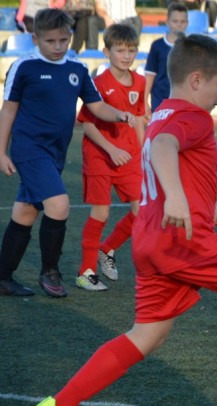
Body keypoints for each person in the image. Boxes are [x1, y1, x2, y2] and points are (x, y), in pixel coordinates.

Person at [29, 34, 217, 406]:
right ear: (196, 79)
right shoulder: (194, 117)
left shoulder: (163, 111)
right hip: (185, 241)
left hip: (151, 241)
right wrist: (176, 197)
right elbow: (166, 149)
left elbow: (169, 155)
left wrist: (202, 202)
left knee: (147, 334)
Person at [0, 8, 136, 298]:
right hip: (29, 149)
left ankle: (3, 277)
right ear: (35, 39)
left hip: (56, 153)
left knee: (25, 212)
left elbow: (96, 106)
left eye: (63, 40)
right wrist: (1, 152)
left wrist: (120, 115)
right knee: (59, 204)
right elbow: (8, 111)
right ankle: (50, 272)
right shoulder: (24, 67)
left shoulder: (77, 69)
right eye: (50, 41)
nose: (58, 46)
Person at [74, 23, 146, 291]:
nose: (127, 56)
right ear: (107, 52)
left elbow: (139, 117)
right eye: (120, 50)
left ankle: (108, 248)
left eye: (131, 50)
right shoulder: (98, 83)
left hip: (129, 154)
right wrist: (111, 150)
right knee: (101, 212)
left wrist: (143, 152)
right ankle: (86, 272)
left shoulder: (140, 82)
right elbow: (87, 124)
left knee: (142, 211)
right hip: (100, 155)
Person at [144, 1, 188, 119]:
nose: (179, 25)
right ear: (167, 21)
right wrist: (144, 101)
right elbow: (150, 75)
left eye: (182, 21)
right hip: (160, 100)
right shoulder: (157, 46)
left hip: (183, 101)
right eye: (175, 21)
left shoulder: (191, 47)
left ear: (187, 23)